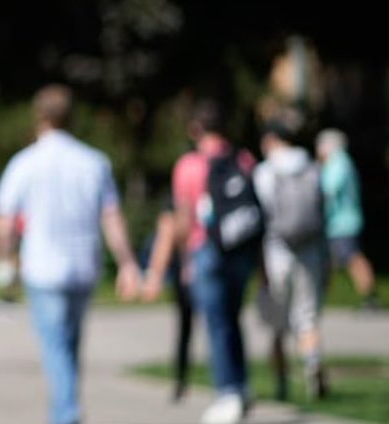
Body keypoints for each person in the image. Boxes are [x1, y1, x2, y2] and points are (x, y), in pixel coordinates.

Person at [0, 84, 141, 424]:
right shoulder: (94, 162)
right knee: (70, 345)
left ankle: (67, 414)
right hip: (84, 266)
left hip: (43, 269)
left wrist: (3, 262)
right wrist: (128, 263)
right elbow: (112, 217)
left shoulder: (25, 162)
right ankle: (64, 409)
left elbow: (4, 222)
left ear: (39, 117)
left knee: (56, 347)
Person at [171, 100, 258, 424]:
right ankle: (242, 385)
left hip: (205, 250)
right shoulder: (243, 159)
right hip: (240, 252)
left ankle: (227, 392)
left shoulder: (189, 165)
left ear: (196, 130)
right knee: (232, 320)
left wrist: (184, 261)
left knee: (216, 324)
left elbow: (183, 220)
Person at [253, 121, 329, 401]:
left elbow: (259, 220)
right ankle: (312, 365)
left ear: (271, 140)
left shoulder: (264, 172)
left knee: (277, 322)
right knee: (307, 317)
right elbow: (322, 217)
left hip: (275, 252)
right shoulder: (312, 168)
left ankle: (281, 381)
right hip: (309, 253)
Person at [316, 128, 380, 310]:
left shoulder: (338, 163)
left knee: (352, 259)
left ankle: (370, 297)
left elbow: (327, 191)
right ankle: (319, 297)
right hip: (339, 223)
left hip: (341, 223)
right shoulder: (342, 162)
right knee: (330, 261)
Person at [141, 197, 195, 403]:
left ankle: (181, 382)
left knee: (184, 331)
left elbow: (166, 235)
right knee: (223, 328)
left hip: (188, 272)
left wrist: (154, 275)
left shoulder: (178, 193)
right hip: (212, 268)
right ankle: (231, 387)